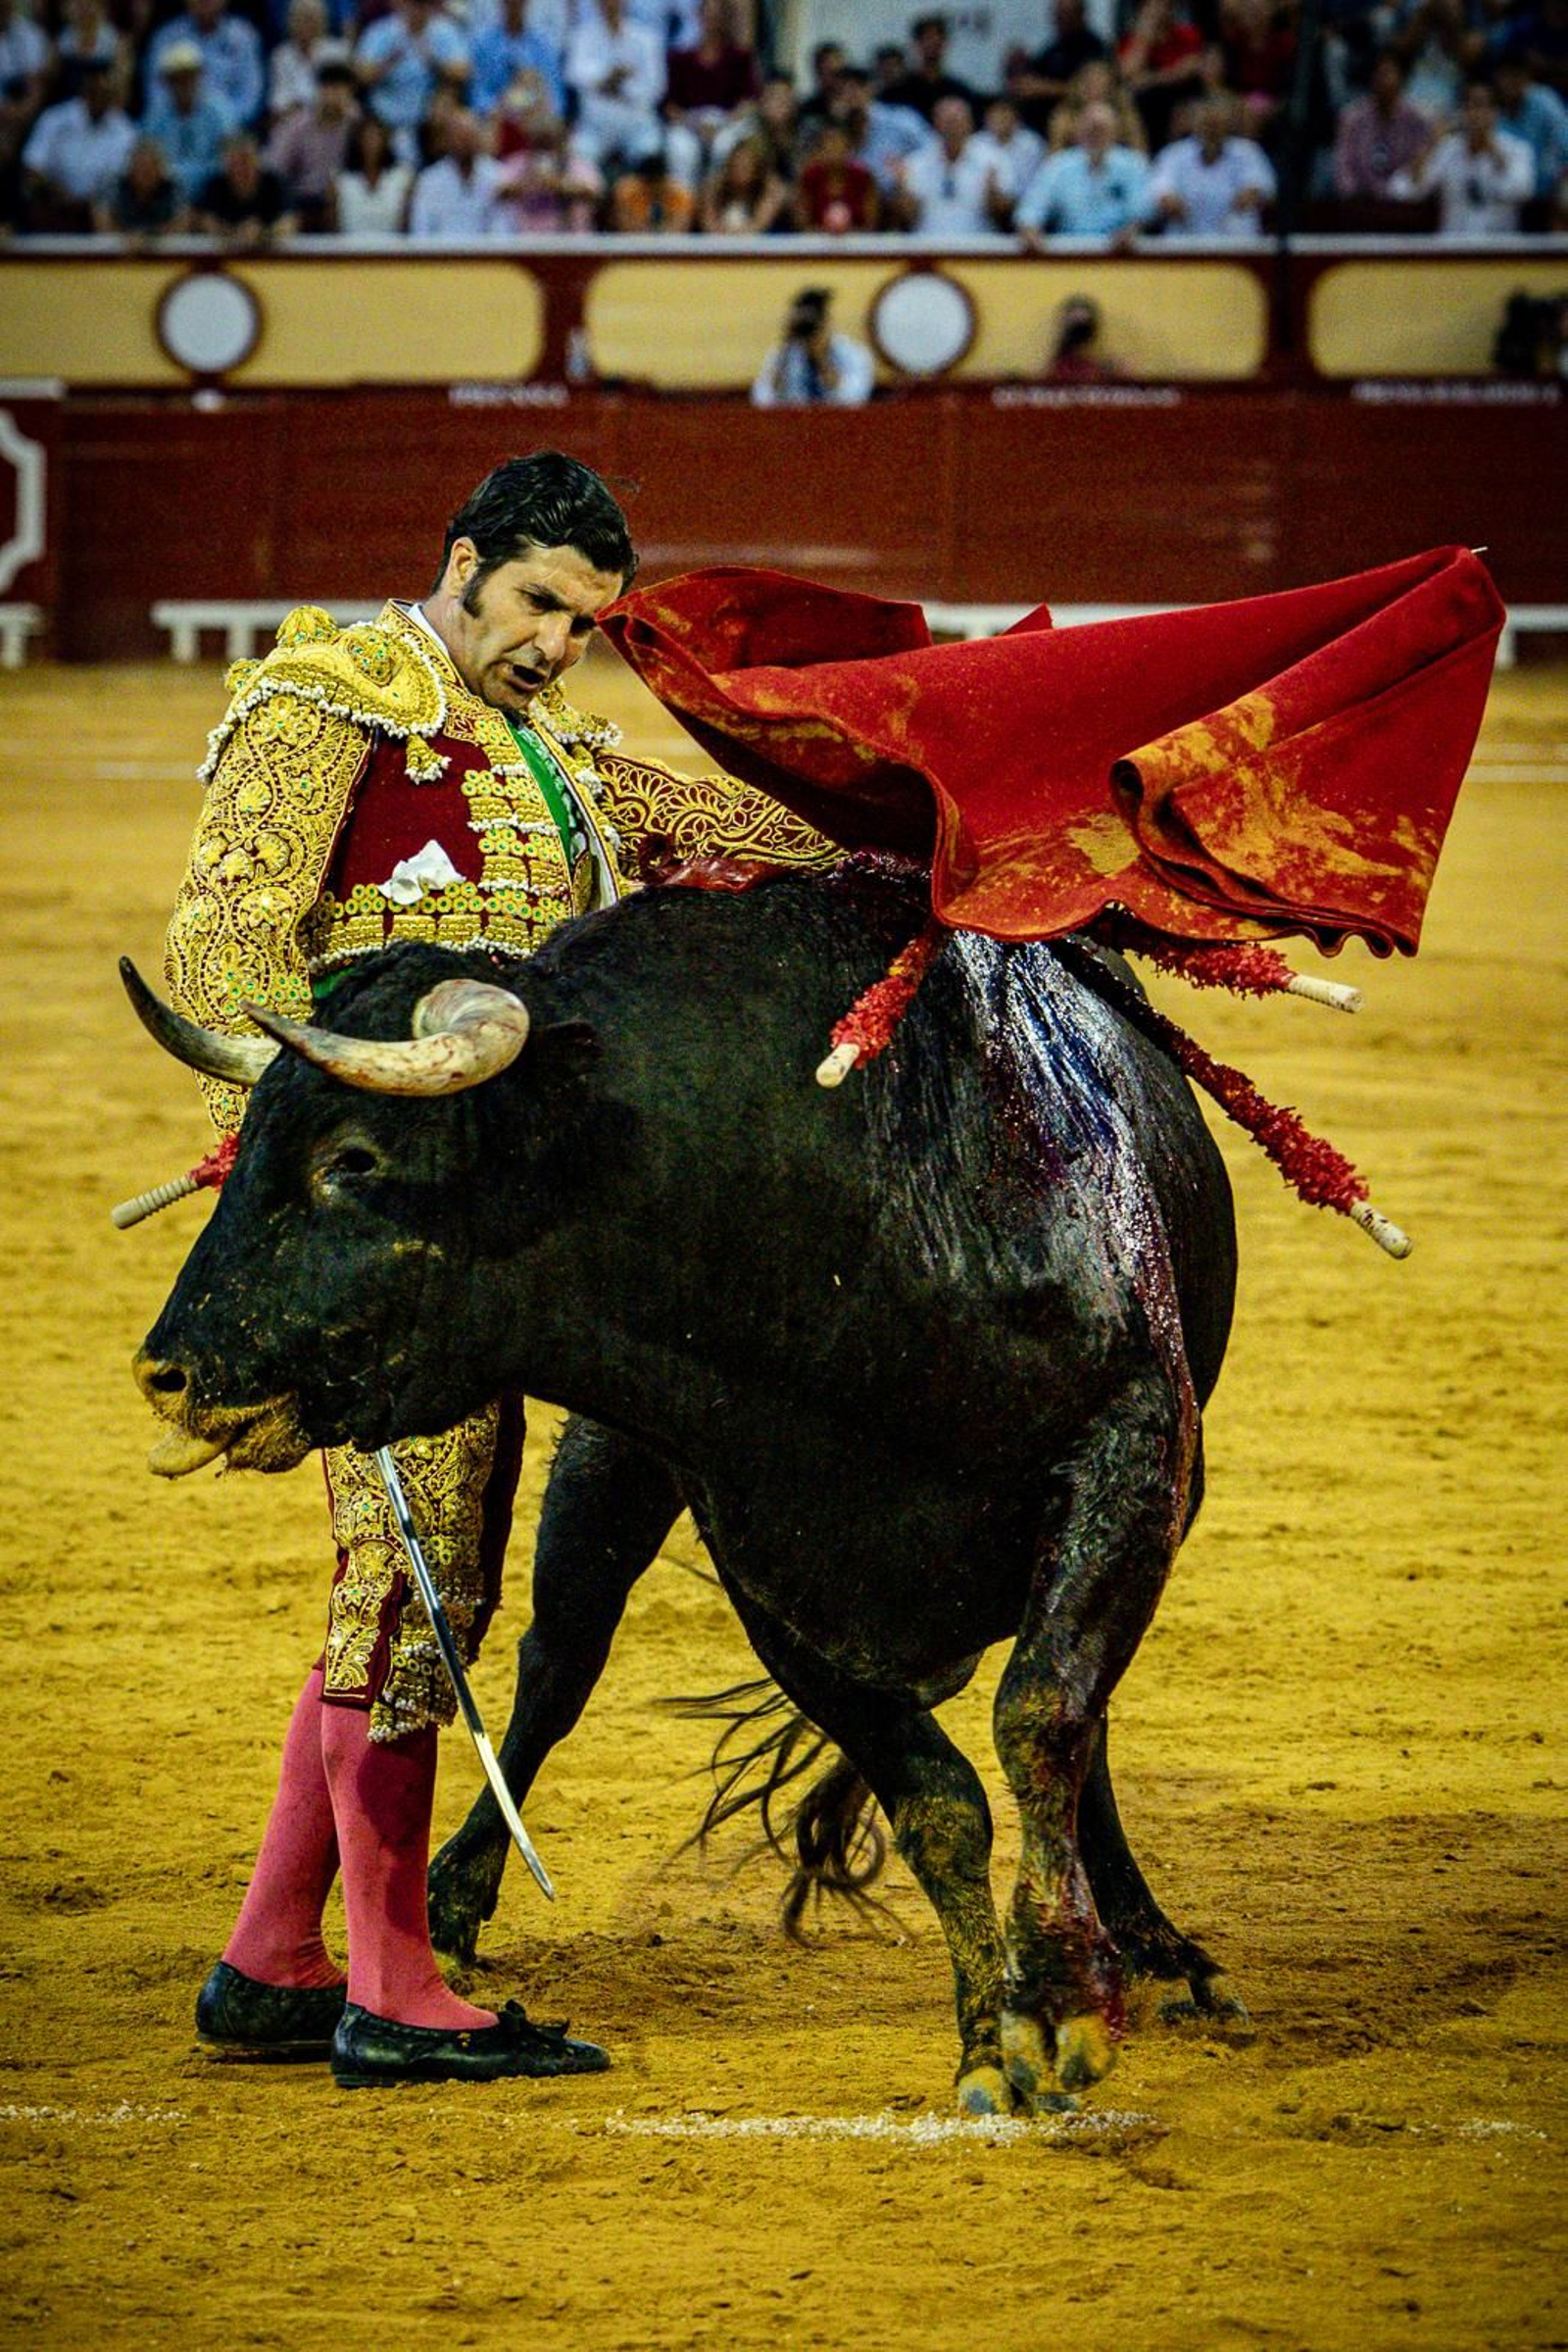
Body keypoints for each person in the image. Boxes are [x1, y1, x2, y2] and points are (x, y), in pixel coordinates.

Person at [165, 452, 833, 2090]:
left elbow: (738, 830)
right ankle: (395, 1986)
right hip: (376, 1235)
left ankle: (272, 1955)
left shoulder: (550, 752)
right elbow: (224, 953)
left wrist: (892, 817)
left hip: (491, 1244)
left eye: (589, 623)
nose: (558, 643)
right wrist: (310, 1160)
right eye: (539, 603)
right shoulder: (331, 695)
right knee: (411, 1584)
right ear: (464, 564)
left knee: (415, 1582)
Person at [1390, 74, 1536, 231]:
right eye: (1469, 107)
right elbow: (1403, 191)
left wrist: (1490, 147)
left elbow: (1523, 190)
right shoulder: (1448, 148)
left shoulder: (1517, 149)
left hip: (1498, 250)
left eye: (1481, 106)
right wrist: (1430, 145)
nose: (1475, 114)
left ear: (1495, 113)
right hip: (1454, 249)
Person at [1014, 95, 1151, 242]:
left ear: (1115, 132)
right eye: (1089, 129)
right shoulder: (1059, 165)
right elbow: (1030, 210)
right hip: (1071, 253)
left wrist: (1133, 229)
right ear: (1078, 131)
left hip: (1120, 255)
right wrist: (1029, 229)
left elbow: (1144, 211)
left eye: (1101, 129)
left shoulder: (1134, 164)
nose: (1095, 134)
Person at [20, 53, 133, 227]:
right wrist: (58, 193)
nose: (99, 98)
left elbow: (123, 180)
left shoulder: (125, 130)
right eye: (94, 91)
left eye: (105, 93)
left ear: (112, 93)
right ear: (84, 90)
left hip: (100, 211)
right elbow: (32, 167)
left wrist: (93, 202)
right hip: (55, 204)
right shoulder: (54, 119)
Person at [1147, 92, 1275, 233]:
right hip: (1185, 245)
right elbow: (1160, 191)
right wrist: (1169, 201)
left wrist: (1250, 195)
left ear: (1228, 124)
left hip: (1237, 245)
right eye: (1206, 124)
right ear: (1193, 124)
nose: (1211, 131)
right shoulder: (1173, 154)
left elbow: (1261, 188)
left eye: (1216, 124)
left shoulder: (1248, 152)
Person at [1333, 48, 1432, 201]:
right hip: (1361, 205)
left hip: (1404, 206)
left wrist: (1404, 192)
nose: (1382, 80)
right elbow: (1343, 169)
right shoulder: (1352, 118)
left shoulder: (1417, 120)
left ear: (1401, 78)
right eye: (1378, 74)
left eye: (1388, 74)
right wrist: (1354, 196)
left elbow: (1421, 167)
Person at [750, 284, 874, 404]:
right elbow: (762, 400)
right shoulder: (781, 354)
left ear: (827, 321)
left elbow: (855, 398)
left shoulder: (853, 353)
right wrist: (785, 349)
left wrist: (821, 358)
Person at [408, 103, 505, 232]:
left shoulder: (496, 174)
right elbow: (420, 230)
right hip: (440, 251)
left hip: (485, 251)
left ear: (478, 137)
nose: (465, 142)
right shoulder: (430, 180)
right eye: (460, 136)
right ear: (447, 139)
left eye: (470, 135)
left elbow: (502, 228)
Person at [330, 107, 413, 230]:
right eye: (366, 137)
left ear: (386, 140)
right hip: (349, 247)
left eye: (376, 136)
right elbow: (333, 228)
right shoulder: (339, 180)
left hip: (392, 247)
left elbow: (406, 226)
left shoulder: (403, 176)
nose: (371, 143)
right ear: (357, 140)